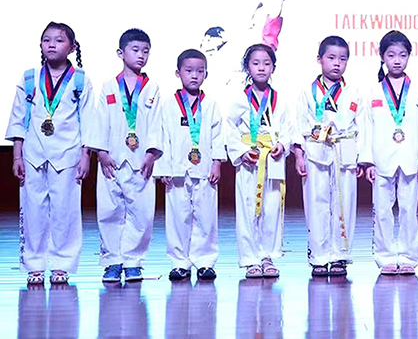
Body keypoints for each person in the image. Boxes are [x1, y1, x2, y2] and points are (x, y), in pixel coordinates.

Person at [6, 22, 94, 285]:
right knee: (32, 210)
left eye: (59, 40)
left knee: (65, 211)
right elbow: (18, 119)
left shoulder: (80, 80)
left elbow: (88, 121)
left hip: (67, 155)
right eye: (46, 40)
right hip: (33, 154)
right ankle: (34, 265)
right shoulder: (30, 78)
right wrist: (17, 156)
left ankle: (62, 264)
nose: (52, 44)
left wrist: (86, 155)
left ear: (72, 47)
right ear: (41, 45)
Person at [88, 28, 162, 283]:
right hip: (112, 159)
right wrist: (101, 151)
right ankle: (112, 261)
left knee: (141, 212)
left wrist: (152, 153)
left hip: (141, 160)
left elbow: (156, 123)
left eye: (146, 51)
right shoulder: (109, 86)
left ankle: (133, 261)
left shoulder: (152, 88)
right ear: (121, 53)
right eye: (135, 50)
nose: (141, 55)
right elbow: (100, 120)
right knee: (109, 210)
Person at [362, 30, 418, 275]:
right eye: (391, 55)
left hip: (411, 157)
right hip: (381, 158)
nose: (397, 60)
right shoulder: (373, 91)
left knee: (408, 209)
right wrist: (367, 162)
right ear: (382, 56)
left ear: (409, 56)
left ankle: (409, 256)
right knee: (382, 210)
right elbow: (367, 127)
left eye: (402, 55)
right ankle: (385, 257)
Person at [294, 36, 365, 277]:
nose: (337, 63)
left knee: (345, 203)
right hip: (315, 150)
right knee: (316, 202)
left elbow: (362, 126)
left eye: (342, 59)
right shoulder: (307, 92)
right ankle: (318, 256)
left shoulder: (354, 92)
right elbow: (299, 125)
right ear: (319, 59)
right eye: (331, 58)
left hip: (345, 151)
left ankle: (340, 255)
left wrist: (361, 157)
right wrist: (299, 155)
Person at [153, 49, 226, 281]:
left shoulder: (211, 105)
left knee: (206, 216)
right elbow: (162, 137)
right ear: (178, 73)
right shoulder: (168, 105)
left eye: (200, 71)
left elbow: (218, 137)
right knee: (177, 216)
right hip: (176, 170)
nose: (194, 75)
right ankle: (179, 262)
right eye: (189, 71)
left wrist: (217, 163)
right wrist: (163, 168)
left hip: (204, 170)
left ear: (206, 74)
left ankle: (205, 261)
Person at [226, 44, 293, 279]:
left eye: (266, 63)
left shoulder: (279, 99)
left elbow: (287, 128)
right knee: (247, 208)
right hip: (250, 160)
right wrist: (242, 151)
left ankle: (267, 256)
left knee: (271, 208)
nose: (261, 68)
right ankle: (249, 259)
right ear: (247, 67)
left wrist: (282, 145)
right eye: (255, 63)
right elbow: (229, 128)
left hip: (272, 159)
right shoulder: (239, 99)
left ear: (273, 67)